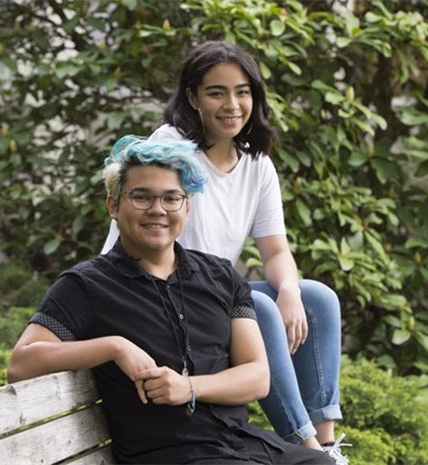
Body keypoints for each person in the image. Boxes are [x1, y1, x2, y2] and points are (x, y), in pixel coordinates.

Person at [8, 136, 335, 464]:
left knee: (321, 462)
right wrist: (114, 347)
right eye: (141, 197)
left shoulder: (220, 276)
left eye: (171, 198)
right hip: (172, 456)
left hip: (246, 446)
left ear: (187, 207)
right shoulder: (87, 285)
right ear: (113, 205)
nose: (157, 210)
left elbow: (257, 377)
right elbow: (21, 363)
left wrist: (188, 387)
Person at [101, 41, 349, 464]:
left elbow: (275, 251)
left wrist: (288, 288)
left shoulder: (256, 164)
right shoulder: (172, 146)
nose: (232, 104)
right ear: (193, 98)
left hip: (214, 291)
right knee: (259, 308)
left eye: (243, 91)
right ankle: (305, 445)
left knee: (315, 298)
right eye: (216, 92)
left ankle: (327, 444)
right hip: (158, 290)